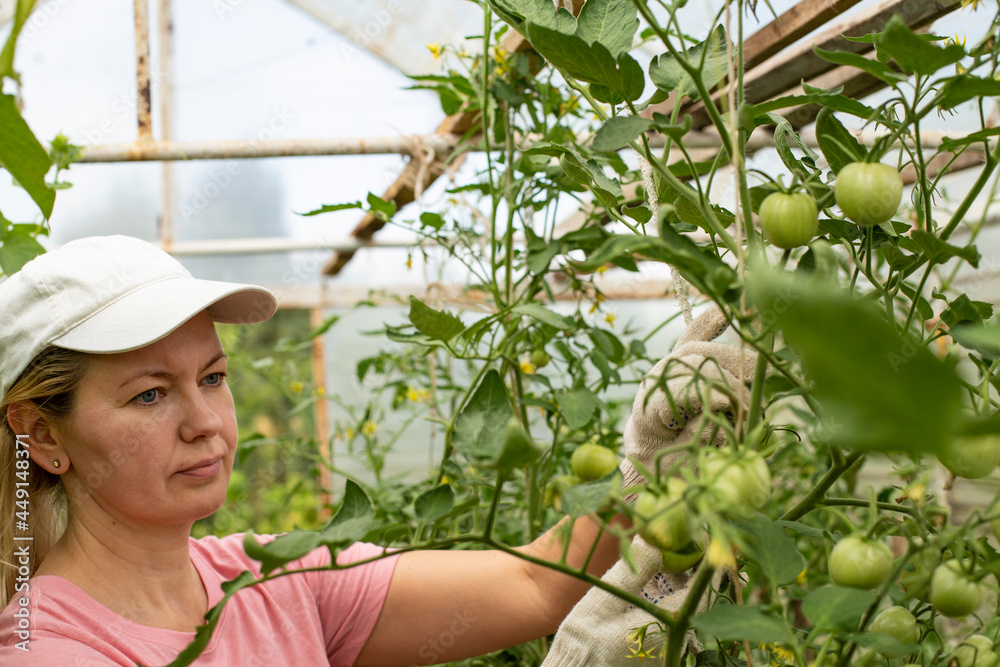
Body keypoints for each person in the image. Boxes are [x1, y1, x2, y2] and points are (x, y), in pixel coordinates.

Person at [0, 235, 752, 666]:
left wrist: (657, 457)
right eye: (150, 394)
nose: (206, 421)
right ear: (43, 434)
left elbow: (533, 580)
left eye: (214, 376)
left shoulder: (270, 573)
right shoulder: (52, 650)